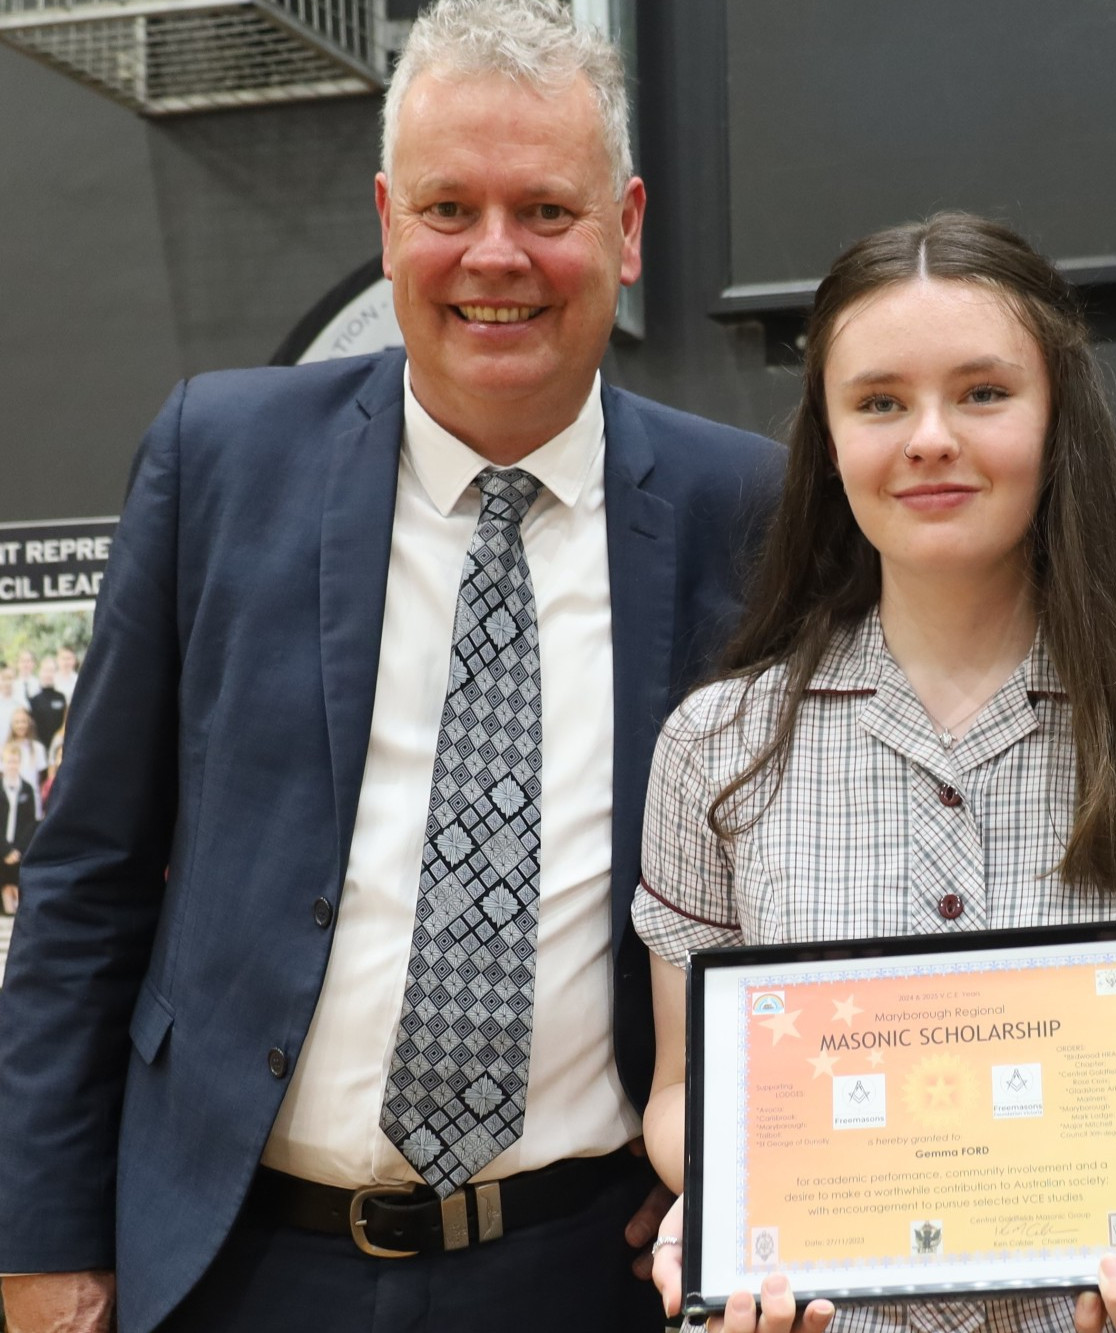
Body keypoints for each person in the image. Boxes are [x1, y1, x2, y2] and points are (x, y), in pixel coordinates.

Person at [0, 2, 778, 1331]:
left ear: (630, 228)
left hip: (588, 1267)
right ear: (384, 218)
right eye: (447, 207)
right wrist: (43, 1236)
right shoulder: (219, 462)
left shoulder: (746, 506)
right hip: (237, 1266)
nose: (495, 255)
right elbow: (87, 881)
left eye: (546, 208)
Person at [634, 213, 1116, 1333]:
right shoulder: (718, 747)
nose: (929, 438)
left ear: (1058, 420)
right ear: (828, 436)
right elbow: (678, 1094)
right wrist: (724, 1201)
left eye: (983, 393)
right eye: (878, 402)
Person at [1, 739, 40, 916]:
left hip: (19, 849)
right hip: (2, 848)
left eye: (15, 761)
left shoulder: (27, 788)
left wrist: (17, 849)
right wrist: (5, 850)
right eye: (9, 761)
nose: (12, 764)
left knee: (18, 879)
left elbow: (31, 822)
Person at [6, 708, 47, 792]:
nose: (20, 725)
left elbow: (42, 776)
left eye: (23, 721)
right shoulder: (5, 748)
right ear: (12, 725)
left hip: (33, 794)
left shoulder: (38, 748)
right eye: (17, 722)